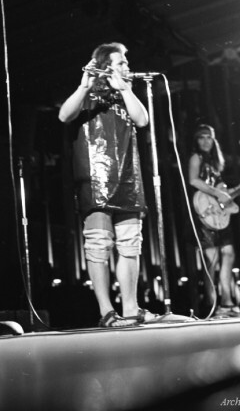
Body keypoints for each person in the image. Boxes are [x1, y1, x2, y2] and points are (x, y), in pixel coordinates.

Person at [59, 42, 156, 328]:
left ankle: (131, 308)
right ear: (106, 66)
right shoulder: (88, 95)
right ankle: (106, 311)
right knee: (99, 246)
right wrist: (84, 86)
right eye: (121, 62)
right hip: (96, 180)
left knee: (130, 245)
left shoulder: (126, 95)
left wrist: (125, 89)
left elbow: (142, 119)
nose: (127, 66)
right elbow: (64, 116)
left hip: (127, 180)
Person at [188, 124, 240, 318]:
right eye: (201, 137)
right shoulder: (196, 158)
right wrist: (217, 193)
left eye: (208, 137)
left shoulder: (216, 163)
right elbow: (193, 180)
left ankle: (227, 301)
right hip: (204, 213)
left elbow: (223, 193)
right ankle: (212, 304)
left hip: (219, 215)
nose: (205, 141)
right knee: (211, 259)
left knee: (228, 253)